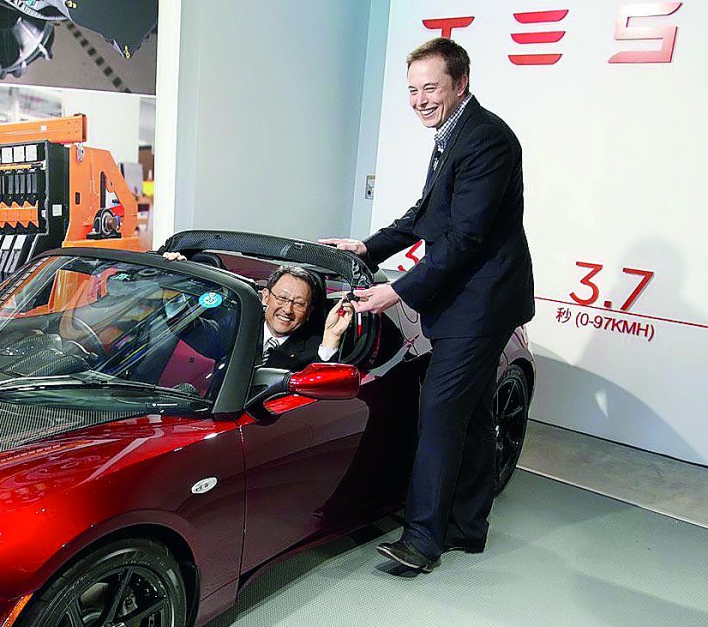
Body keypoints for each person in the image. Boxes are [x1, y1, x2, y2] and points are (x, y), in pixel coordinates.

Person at [320, 37, 534, 574]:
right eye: (412, 89)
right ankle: (467, 527)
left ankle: (421, 542)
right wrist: (368, 247)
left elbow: (463, 239)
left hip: (480, 306)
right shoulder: (454, 133)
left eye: (430, 87)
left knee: (439, 415)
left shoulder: (487, 141)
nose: (419, 99)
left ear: (461, 83)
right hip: (471, 300)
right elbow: (425, 214)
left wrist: (398, 290)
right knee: (475, 416)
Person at [163, 254, 353, 368]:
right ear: (265, 297)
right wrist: (177, 281)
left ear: (309, 311)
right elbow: (188, 327)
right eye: (282, 298)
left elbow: (321, 390)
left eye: (299, 304)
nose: (287, 309)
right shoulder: (238, 329)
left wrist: (332, 336)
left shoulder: (313, 348)